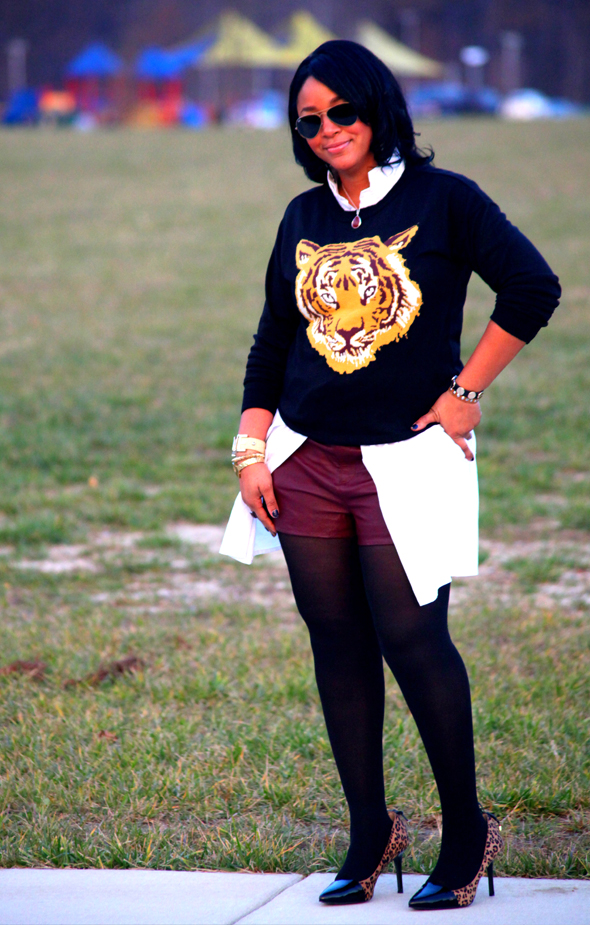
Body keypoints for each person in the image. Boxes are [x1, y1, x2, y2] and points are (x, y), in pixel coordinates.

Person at [220, 40, 560, 911]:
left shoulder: (447, 202)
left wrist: (466, 390)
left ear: (376, 108)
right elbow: (273, 342)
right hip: (303, 459)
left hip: (405, 462)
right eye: (309, 119)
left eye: (343, 112)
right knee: (335, 642)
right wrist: (251, 447)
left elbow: (531, 287)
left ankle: (467, 830)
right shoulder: (302, 216)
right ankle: (370, 831)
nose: (328, 129)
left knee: (414, 641)